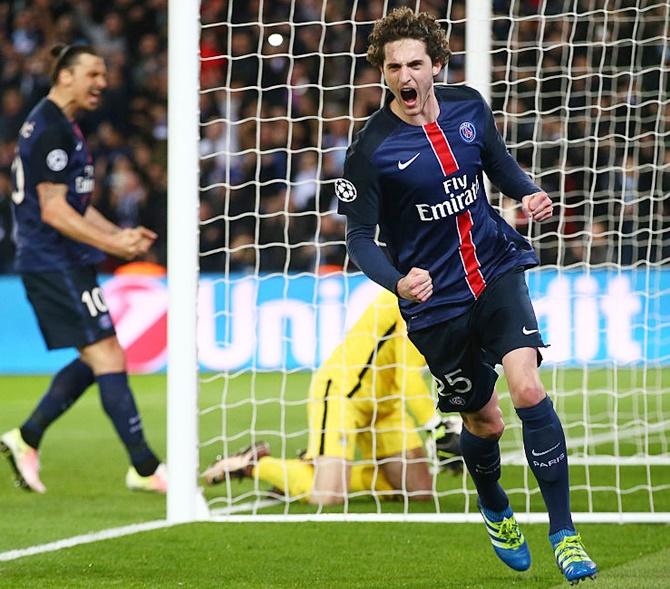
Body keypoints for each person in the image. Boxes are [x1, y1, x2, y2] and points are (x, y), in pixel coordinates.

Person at [335, 8, 596, 585]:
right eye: (394, 66)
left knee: (528, 388)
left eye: (416, 64)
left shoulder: (469, 107)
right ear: (382, 71)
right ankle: (495, 505)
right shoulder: (370, 148)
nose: (406, 76)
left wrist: (527, 194)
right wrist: (397, 281)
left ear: (436, 66)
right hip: (437, 303)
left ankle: (564, 532)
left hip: (496, 267)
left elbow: (497, 164)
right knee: (486, 423)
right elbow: (357, 235)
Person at [0, 44, 166, 494]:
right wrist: (114, 243)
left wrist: (120, 235)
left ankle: (27, 437)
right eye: (93, 73)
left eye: (105, 74)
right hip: (50, 261)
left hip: (65, 259)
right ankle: (146, 467)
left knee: (99, 356)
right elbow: (54, 212)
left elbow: (77, 206)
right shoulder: (51, 126)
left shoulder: (64, 125)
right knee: (107, 354)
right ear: (65, 75)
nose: (103, 83)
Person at [202, 289, 462, 504]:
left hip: (386, 404)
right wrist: (436, 426)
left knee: (417, 491)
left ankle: (309, 471)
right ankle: (254, 464)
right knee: (327, 496)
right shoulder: (412, 295)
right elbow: (408, 377)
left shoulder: (439, 296)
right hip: (343, 394)